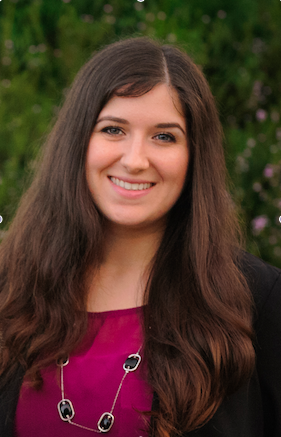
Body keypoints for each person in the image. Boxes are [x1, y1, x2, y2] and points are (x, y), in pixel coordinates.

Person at [0, 36, 281, 437]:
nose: (134, 160)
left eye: (164, 136)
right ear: (78, 142)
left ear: (194, 156)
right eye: (113, 129)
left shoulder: (259, 301)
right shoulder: (10, 289)